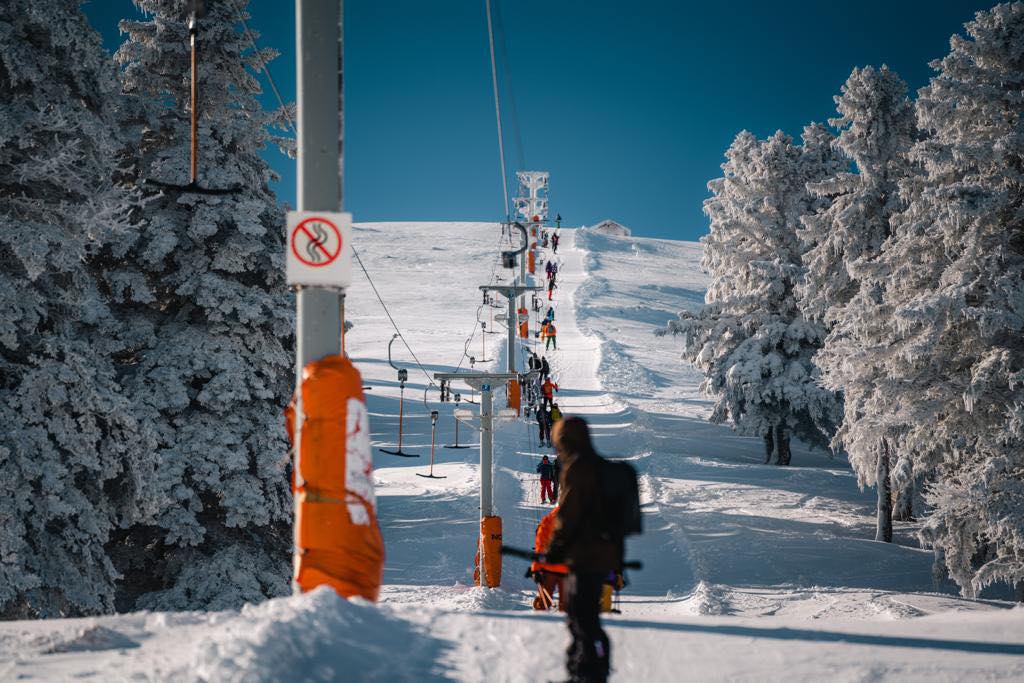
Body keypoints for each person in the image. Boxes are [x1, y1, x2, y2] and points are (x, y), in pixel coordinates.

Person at [544, 417, 621, 683]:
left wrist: (555, 547)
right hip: (603, 553)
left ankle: (589, 671)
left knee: (581, 616)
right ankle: (585, 668)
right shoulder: (600, 466)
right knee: (584, 615)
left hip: (585, 556)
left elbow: (568, 515)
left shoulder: (577, 468)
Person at [530, 506, 568, 611]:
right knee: (566, 605)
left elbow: (540, 547)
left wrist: (535, 568)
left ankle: (541, 612)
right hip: (567, 568)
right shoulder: (578, 519)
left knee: (544, 601)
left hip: (549, 567)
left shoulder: (548, 520)